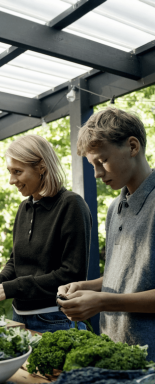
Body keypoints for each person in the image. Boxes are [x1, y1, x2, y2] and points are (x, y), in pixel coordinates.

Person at [58, 107, 155, 359]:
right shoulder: (114, 208)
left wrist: (102, 302)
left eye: (102, 161)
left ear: (132, 146)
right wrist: (86, 286)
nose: (97, 173)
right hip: (115, 351)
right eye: (92, 165)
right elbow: (128, 276)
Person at [0, 134, 92, 333]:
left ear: (42, 167)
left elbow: (71, 274)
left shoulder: (71, 205)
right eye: (10, 172)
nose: (11, 180)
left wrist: (11, 288)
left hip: (56, 320)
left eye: (17, 172)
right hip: (19, 318)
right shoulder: (24, 208)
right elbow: (16, 262)